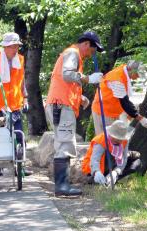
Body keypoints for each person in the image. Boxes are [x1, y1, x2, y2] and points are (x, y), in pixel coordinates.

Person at [45, 31, 104, 196]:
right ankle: (62, 187)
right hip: (62, 106)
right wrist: (88, 79)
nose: (91, 54)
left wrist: (80, 97)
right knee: (65, 144)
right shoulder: (73, 53)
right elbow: (67, 75)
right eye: (92, 50)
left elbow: (66, 83)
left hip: (60, 104)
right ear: (86, 44)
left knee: (64, 143)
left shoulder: (72, 54)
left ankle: (62, 185)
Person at [0, 32, 31, 177]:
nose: (15, 49)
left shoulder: (20, 59)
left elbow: (22, 81)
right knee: (0, 136)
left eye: (17, 46)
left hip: (15, 104)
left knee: (19, 135)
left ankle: (20, 165)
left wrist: (25, 98)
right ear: (5, 47)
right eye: (12, 46)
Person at [91, 60, 147, 135]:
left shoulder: (124, 70)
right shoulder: (117, 79)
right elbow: (124, 102)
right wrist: (140, 118)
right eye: (137, 74)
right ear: (131, 70)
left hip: (112, 111)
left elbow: (124, 99)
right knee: (106, 140)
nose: (138, 77)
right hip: (103, 112)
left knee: (114, 140)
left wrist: (131, 114)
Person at [82, 120, 141, 186]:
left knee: (137, 162)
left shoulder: (124, 140)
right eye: (116, 137)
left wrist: (116, 172)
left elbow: (124, 159)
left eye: (120, 138)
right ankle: (100, 179)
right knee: (108, 154)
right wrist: (96, 172)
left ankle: (113, 178)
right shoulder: (101, 140)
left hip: (113, 166)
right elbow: (95, 160)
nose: (118, 140)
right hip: (96, 169)